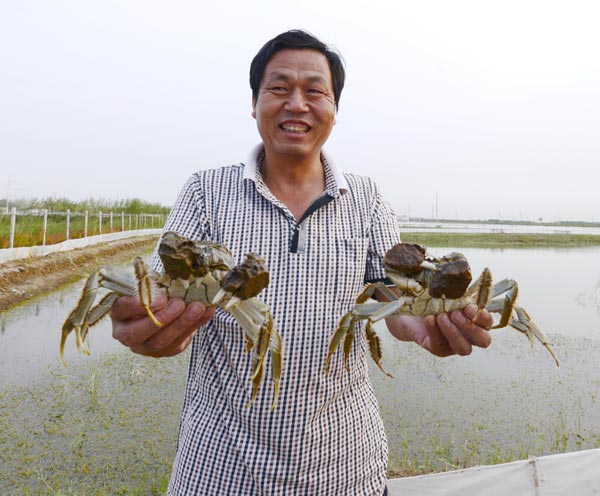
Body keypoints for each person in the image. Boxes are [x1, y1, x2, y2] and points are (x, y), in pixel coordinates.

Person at [110, 30, 493, 495]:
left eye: (315, 91)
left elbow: (391, 297)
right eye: (278, 88)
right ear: (254, 104)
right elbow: (156, 289)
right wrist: (150, 325)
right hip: (219, 468)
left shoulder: (367, 199)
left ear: (334, 110)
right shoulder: (205, 192)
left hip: (347, 466)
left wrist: (422, 327)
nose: (297, 104)